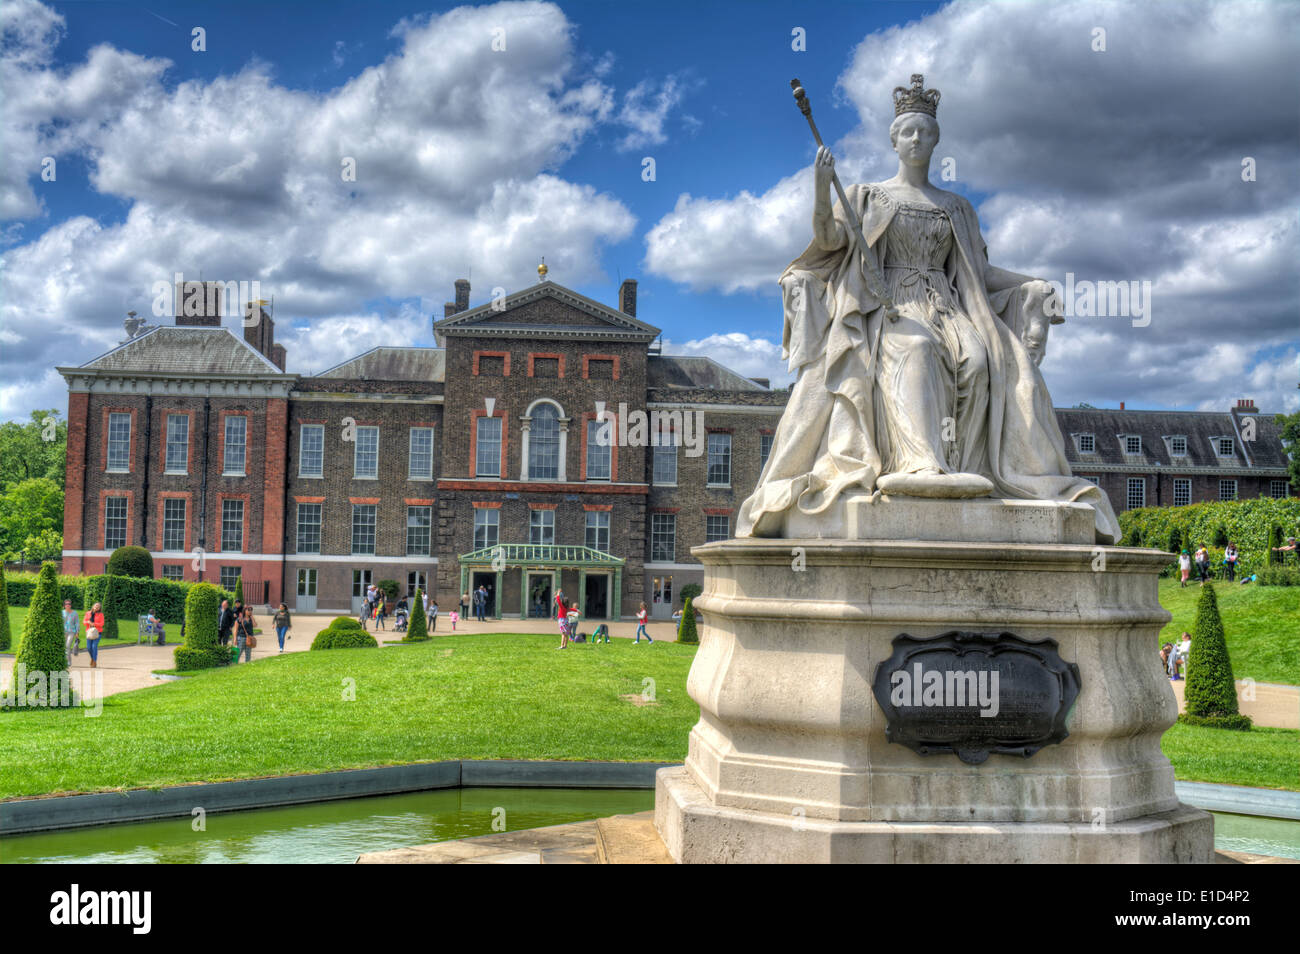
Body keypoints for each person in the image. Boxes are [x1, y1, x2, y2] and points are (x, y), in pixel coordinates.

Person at [735, 74, 1119, 543]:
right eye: (908, 132)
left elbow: (981, 274)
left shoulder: (956, 207)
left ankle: (965, 468)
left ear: (937, 140)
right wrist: (820, 189)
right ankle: (917, 463)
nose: (917, 139)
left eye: (926, 132)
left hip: (947, 304)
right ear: (894, 140)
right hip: (888, 305)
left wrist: (1032, 284)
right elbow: (829, 241)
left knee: (980, 362)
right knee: (915, 352)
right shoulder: (865, 197)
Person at [83, 602, 105, 669]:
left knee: (94, 646)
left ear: (99, 609)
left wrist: (94, 624)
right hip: (89, 632)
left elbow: (102, 624)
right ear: (93, 606)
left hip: (97, 633)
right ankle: (92, 658)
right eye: (96, 606)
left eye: (98, 607)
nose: (97, 607)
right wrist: (88, 622)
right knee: (89, 647)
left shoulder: (101, 615)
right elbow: (84, 622)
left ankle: (94, 662)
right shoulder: (88, 613)